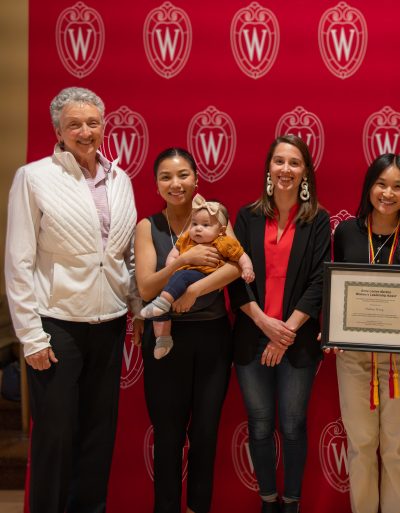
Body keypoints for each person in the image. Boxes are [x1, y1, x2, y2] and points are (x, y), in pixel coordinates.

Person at [5, 86, 140, 513]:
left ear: (105, 125)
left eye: (93, 122)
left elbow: (128, 256)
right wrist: (31, 337)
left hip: (110, 323)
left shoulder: (121, 179)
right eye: (74, 124)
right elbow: (18, 262)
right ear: (58, 131)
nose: (85, 131)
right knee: (56, 437)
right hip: (56, 327)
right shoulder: (34, 177)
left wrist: (137, 310)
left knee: (98, 437)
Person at [134, 147, 241, 513]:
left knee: (205, 436)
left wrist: (194, 288)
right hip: (166, 341)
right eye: (166, 177)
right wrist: (186, 260)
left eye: (183, 175)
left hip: (211, 339)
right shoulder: (149, 227)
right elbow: (147, 288)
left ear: (197, 178)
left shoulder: (214, 214)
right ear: (157, 184)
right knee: (167, 437)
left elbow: (237, 266)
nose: (175, 183)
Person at [229, 134, 330, 513]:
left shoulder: (318, 220)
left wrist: (283, 333)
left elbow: (320, 281)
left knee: (291, 426)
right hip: (251, 337)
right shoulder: (246, 216)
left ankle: (292, 503)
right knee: (258, 424)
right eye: (279, 162)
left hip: (297, 341)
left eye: (295, 163)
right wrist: (264, 325)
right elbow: (232, 278)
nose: (286, 169)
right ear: (269, 169)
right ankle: (268, 501)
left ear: (305, 172)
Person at [332, 154, 400, 513]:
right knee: (359, 446)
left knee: (398, 448)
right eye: (381, 184)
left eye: (398, 186)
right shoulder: (347, 232)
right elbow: (337, 291)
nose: (388, 193)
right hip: (354, 358)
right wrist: (333, 330)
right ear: (369, 187)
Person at [141, 194, 254, 359]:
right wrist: (175, 265)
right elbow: (173, 256)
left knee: (183, 277)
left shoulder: (222, 242)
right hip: (179, 282)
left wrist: (247, 267)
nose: (198, 228)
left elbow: (240, 255)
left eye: (206, 225)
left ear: (221, 231)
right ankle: (163, 339)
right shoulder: (186, 238)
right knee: (162, 302)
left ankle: (163, 303)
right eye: (194, 224)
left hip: (204, 280)